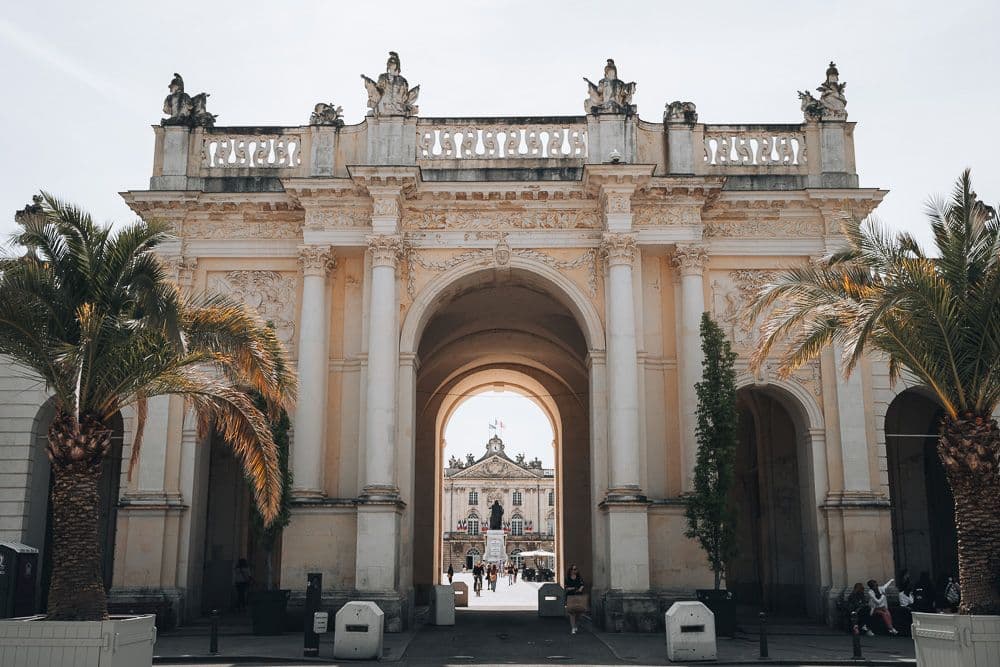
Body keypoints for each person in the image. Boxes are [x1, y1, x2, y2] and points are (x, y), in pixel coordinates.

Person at [565, 565, 587, 635]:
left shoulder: (579, 578)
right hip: (570, 596)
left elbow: (582, 584)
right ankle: (573, 628)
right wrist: (574, 588)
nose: (575, 571)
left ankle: (576, 625)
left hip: (579, 596)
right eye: (574, 569)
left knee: (579, 613)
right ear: (571, 570)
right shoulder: (567, 578)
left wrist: (581, 588)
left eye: (576, 569)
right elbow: (566, 588)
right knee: (572, 613)